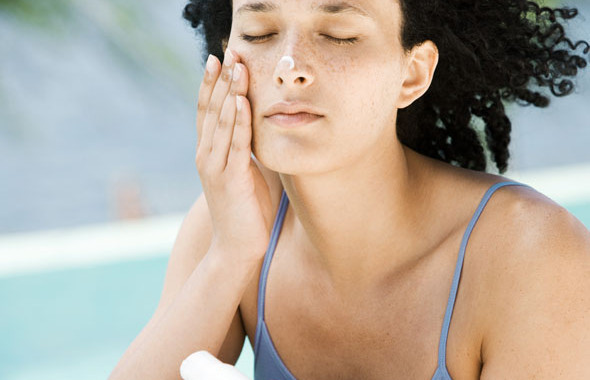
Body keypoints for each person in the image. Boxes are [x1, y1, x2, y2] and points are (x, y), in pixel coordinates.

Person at [109, 0, 590, 379]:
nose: (289, 66)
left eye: (338, 35)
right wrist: (230, 256)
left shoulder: (535, 258)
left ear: (413, 72)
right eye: (259, 33)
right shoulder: (233, 222)